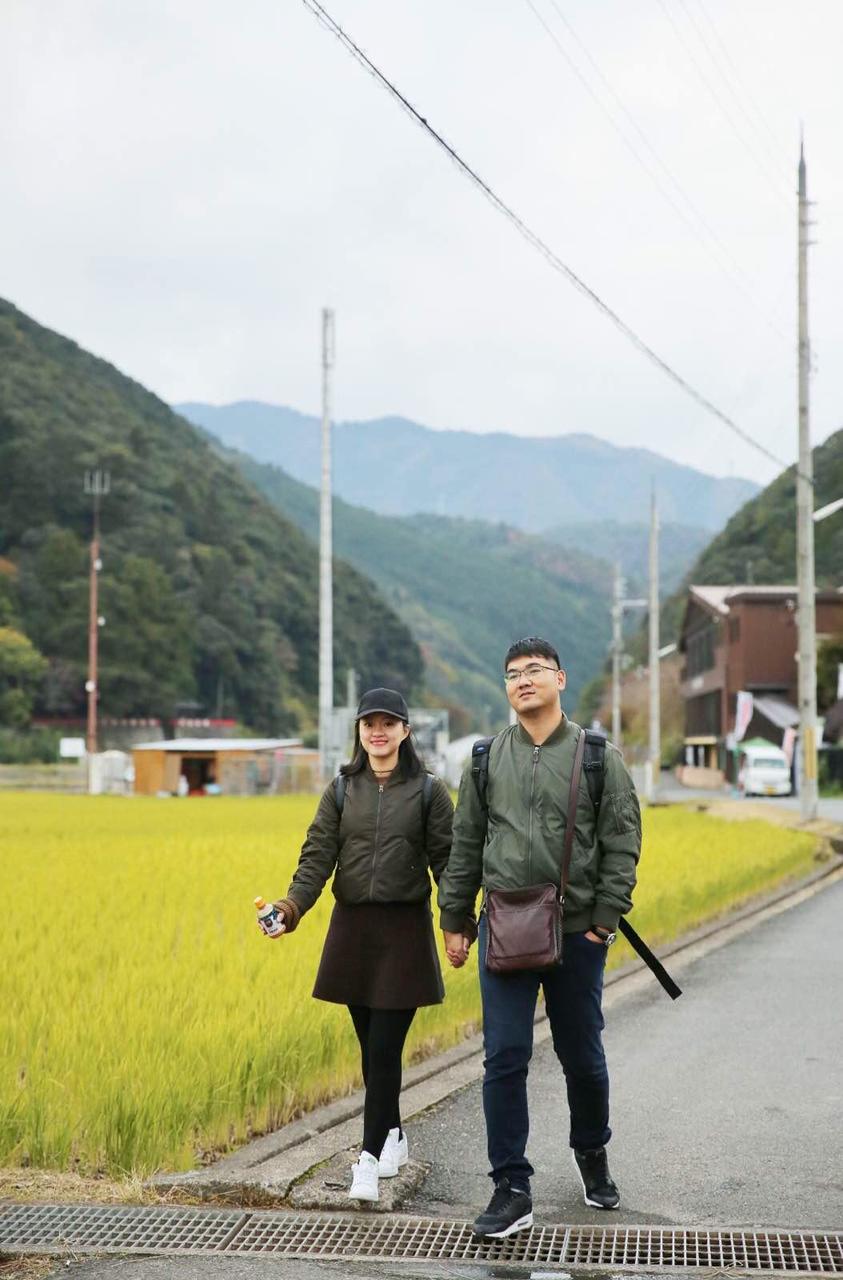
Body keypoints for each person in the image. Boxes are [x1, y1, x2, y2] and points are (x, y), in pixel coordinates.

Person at [439, 638, 641, 1239]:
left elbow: (622, 841)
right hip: (503, 927)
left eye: (534, 670)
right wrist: (455, 917)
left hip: (577, 932)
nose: (522, 680)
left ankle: (591, 1150)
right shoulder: (484, 760)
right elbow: (466, 844)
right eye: (512, 674)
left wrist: (604, 920)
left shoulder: (597, 756)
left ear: (560, 678)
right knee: (504, 1056)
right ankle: (511, 1186)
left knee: (583, 1056)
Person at [265, 687, 458, 1203]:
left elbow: (448, 863)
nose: (378, 731)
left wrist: (456, 922)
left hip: (404, 931)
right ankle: (393, 1135)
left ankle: (368, 1161)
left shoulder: (429, 792)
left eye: (388, 723)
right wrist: (289, 909)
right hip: (352, 930)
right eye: (369, 723)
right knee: (372, 1050)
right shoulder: (341, 790)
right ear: (359, 731)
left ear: (405, 731)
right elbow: (316, 858)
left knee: (385, 1048)